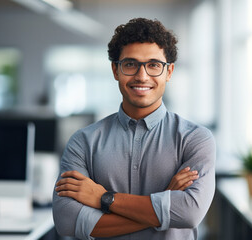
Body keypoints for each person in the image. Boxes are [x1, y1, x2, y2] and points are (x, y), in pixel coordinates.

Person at [53, 17, 216, 240]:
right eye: (130, 64)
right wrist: (165, 202)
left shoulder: (195, 139)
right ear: (115, 70)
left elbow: (189, 212)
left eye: (153, 65)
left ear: (169, 72)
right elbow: (67, 222)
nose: (142, 76)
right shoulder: (83, 141)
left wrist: (104, 199)